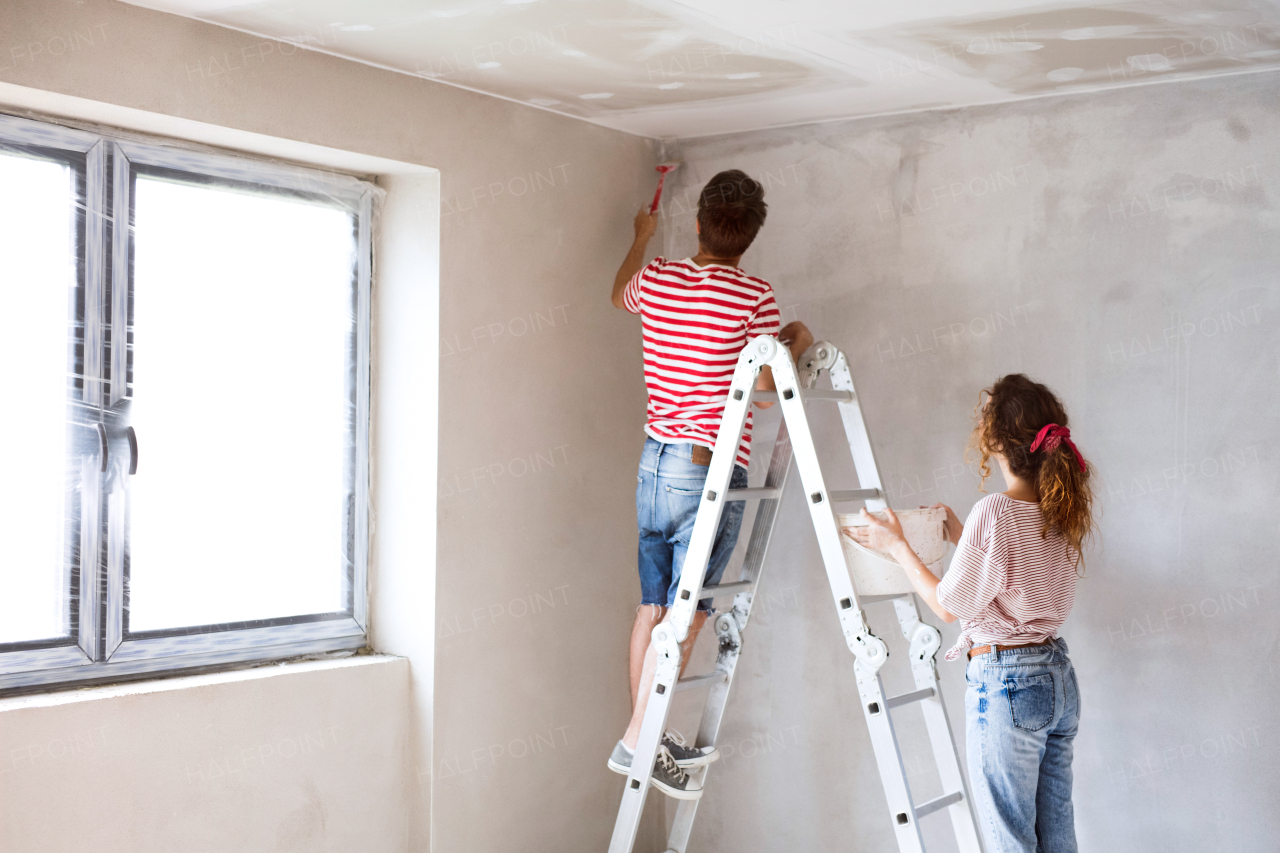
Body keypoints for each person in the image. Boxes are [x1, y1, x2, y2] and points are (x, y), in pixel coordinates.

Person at [606, 169, 813, 799]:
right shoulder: (755, 293)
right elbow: (768, 392)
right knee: (688, 612)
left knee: (652, 606)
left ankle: (640, 734)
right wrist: (797, 339)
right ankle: (639, 740)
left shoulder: (660, 276)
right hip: (707, 472)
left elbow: (618, 294)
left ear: (697, 222)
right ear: (749, 236)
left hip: (655, 461)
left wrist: (641, 237)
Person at [846, 374, 1093, 853]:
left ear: (997, 440)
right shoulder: (1057, 508)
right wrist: (964, 536)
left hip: (1010, 684)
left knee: (1010, 839)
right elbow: (1016, 574)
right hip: (1058, 678)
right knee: (1057, 835)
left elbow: (946, 606)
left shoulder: (995, 512)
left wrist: (896, 546)